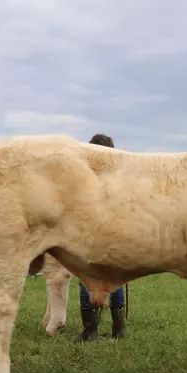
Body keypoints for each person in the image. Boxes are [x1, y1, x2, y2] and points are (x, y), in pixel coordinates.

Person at [75, 133, 127, 342]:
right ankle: (119, 329)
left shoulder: (87, 178)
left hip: (92, 234)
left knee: (85, 278)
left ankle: (91, 331)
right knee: (115, 278)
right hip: (116, 233)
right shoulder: (120, 177)